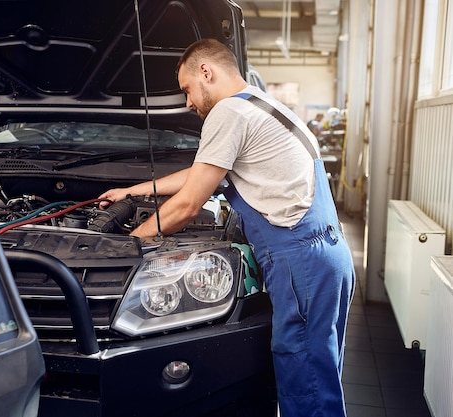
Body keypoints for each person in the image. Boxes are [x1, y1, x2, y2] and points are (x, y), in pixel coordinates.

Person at [98, 38, 355, 417]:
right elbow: (200, 173)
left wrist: (128, 243)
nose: (187, 102)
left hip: (299, 260)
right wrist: (132, 191)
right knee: (321, 373)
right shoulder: (263, 107)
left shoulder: (228, 112)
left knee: (305, 377)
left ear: (207, 72)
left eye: (186, 89)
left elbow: (187, 205)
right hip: (327, 257)